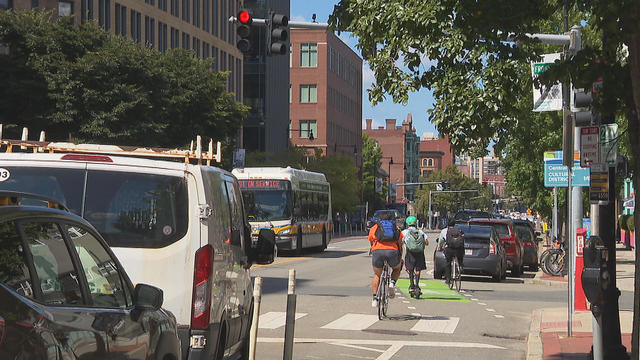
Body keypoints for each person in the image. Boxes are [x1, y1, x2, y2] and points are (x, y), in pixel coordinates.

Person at [369, 211, 404, 308]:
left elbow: (371, 241)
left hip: (377, 252)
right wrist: (400, 256)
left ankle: (375, 298)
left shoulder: (375, 228)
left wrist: (374, 250)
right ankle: (392, 283)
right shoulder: (395, 227)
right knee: (397, 268)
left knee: (377, 275)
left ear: (380, 219)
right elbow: (400, 243)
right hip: (392, 252)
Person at [402, 216, 428, 298]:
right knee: (418, 269)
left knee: (410, 269)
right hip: (420, 253)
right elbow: (427, 242)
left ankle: (411, 285)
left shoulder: (404, 232)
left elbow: (400, 242)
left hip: (410, 253)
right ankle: (417, 285)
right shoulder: (420, 232)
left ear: (407, 223)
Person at [437, 217, 465, 284]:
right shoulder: (459, 230)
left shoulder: (444, 231)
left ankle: (448, 279)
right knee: (460, 256)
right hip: (458, 249)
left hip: (449, 249)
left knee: (448, 262)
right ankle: (460, 265)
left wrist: (440, 247)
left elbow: (441, 241)